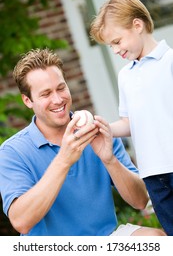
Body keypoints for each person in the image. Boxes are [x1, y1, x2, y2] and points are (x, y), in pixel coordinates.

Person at [0, 49, 165, 236]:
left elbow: (140, 200)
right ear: (28, 100)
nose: (57, 99)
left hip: (105, 241)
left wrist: (110, 160)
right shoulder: (12, 152)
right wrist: (64, 160)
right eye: (46, 94)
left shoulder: (96, 132)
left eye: (61, 88)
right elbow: (21, 222)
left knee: (156, 240)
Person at [90, 0, 173, 236]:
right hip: (152, 175)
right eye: (110, 45)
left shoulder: (169, 62)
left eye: (117, 41)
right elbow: (129, 122)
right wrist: (103, 127)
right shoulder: (125, 76)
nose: (115, 50)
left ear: (137, 25)